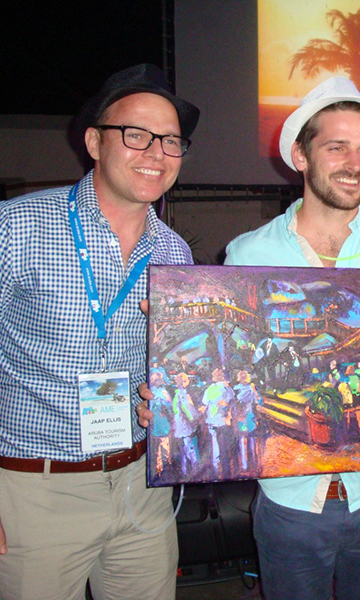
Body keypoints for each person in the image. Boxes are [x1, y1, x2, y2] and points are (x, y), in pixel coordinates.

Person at [221, 76, 360, 599]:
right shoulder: (248, 254)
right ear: (300, 155)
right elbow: (242, 373)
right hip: (290, 502)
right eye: (337, 146)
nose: (354, 162)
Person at [0, 64, 199, 600]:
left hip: (142, 484)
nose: (156, 152)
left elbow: (179, 368)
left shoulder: (175, 254)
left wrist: (170, 398)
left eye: (172, 141)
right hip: (34, 493)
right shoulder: (17, 226)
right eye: (137, 135)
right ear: (93, 140)